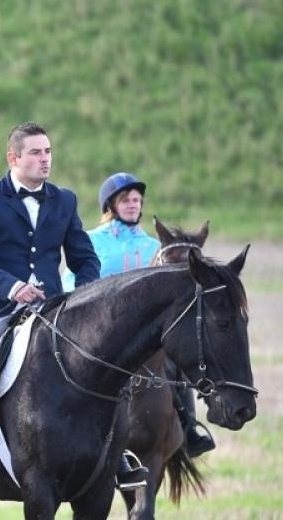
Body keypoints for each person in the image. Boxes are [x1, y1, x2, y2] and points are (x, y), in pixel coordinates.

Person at [0, 123, 111, 494]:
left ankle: (116, 450)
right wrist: (11, 287)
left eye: (48, 151)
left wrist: (83, 299)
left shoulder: (64, 200)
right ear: (13, 157)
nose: (45, 159)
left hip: (52, 307)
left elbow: (85, 260)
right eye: (36, 152)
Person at [91, 172, 216, 457]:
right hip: (103, 326)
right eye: (126, 200)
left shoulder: (153, 247)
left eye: (137, 200)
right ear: (110, 205)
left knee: (178, 357)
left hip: (144, 331)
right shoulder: (91, 241)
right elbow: (73, 283)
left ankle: (189, 426)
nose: (134, 204)